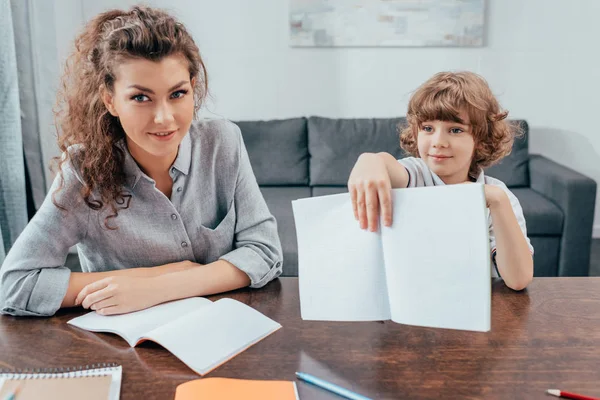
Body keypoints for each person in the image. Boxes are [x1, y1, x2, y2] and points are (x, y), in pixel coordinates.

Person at [0, 6, 282, 317]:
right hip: (129, 351)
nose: (164, 118)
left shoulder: (223, 143)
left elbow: (265, 252)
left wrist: (159, 287)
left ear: (193, 88)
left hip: (223, 335)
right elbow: (16, 283)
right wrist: (147, 278)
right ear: (111, 101)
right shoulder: (83, 172)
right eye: (140, 98)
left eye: (177, 94)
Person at [347, 71, 533, 290]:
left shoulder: (498, 195)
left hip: (471, 303)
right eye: (427, 128)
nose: (438, 142)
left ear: (481, 140)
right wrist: (369, 160)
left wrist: (497, 200)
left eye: (455, 130)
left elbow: (518, 280)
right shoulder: (415, 174)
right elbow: (388, 166)